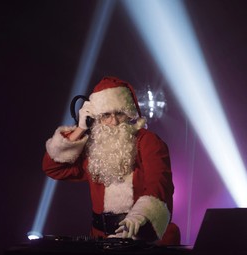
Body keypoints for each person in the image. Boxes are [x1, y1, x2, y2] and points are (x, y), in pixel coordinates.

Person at [42, 76, 180, 245]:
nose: (113, 122)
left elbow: (160, 184)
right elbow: (53, 168)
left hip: (142, 240)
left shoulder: (147, 141)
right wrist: (80, 128)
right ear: (96, 117)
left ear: (129, 113)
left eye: (119, 113)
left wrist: (138, 219)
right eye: (106, 115)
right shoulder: (96, 147)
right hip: (101, 240)